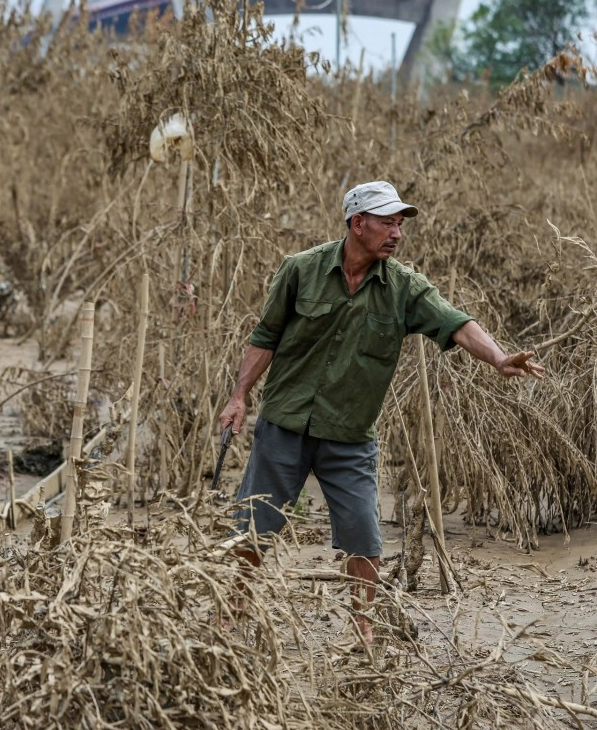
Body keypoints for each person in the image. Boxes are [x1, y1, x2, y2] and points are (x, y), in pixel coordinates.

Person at [217, 180, 545, 646]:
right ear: (358, 224)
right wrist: (239, 396)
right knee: (254, 525)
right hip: (285, 424)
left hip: (349, 434)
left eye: (400, 224)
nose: (397, 233)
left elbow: (457, 323)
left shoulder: (405, 288)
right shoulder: (300, 270)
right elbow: (265, 336)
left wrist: (497, 357)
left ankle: (363, 626)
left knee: (364, 537)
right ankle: (232, 610)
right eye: (387, 223)